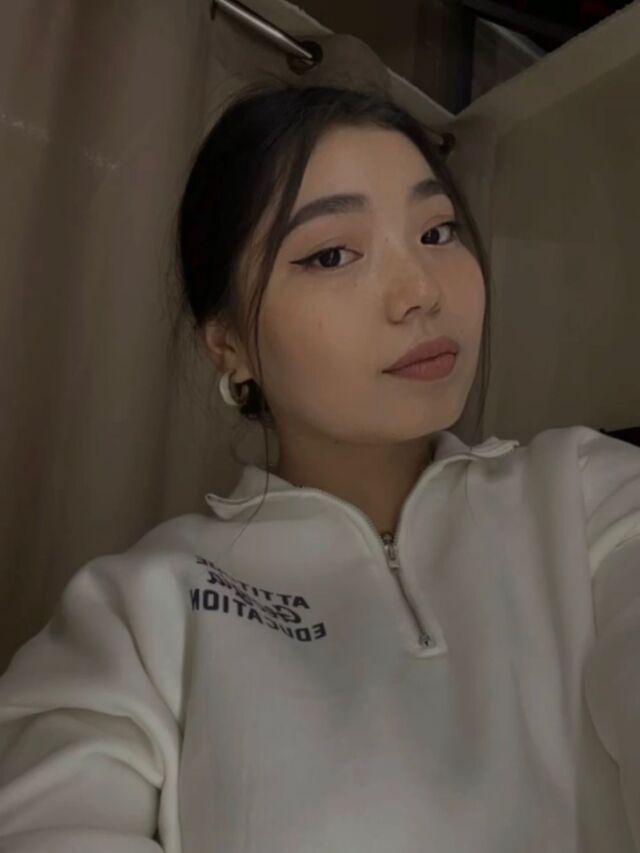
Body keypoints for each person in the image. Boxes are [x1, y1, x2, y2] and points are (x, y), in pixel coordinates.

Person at [0, 82, 639, 853]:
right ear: (229, 345)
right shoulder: (138, 611)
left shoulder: (587, 494)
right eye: (333, 254)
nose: (420, 291)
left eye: (437, 231)